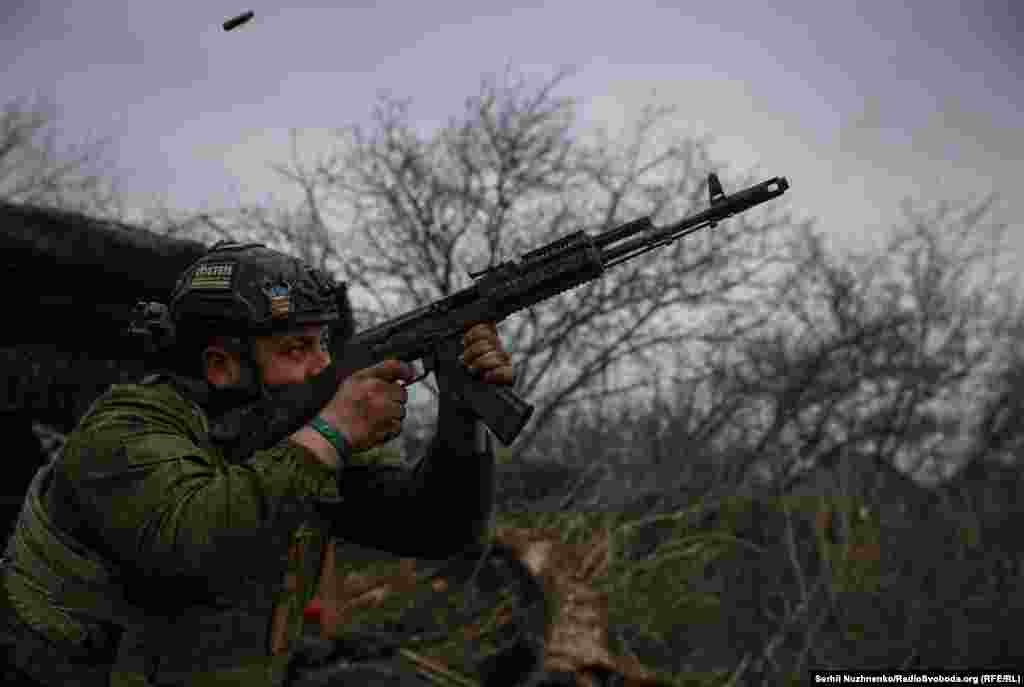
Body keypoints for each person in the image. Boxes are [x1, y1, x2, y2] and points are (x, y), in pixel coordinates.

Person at [0, 241, 515, 686]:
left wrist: (461, 413)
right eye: (297, 349)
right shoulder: (124, 432)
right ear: (221, 364)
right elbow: (191, 544)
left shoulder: (296, 433)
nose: (323, 365)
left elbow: (434, 527)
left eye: (323, 344)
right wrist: (331, 435)